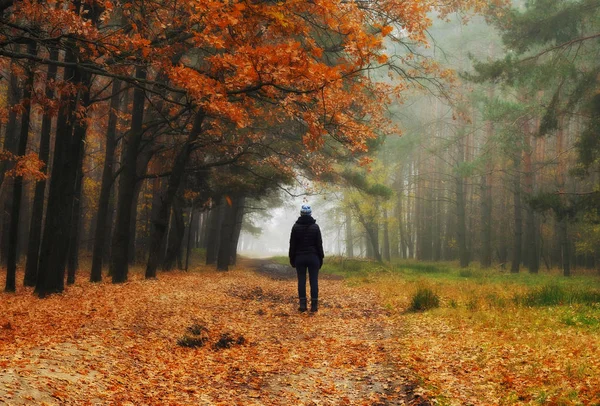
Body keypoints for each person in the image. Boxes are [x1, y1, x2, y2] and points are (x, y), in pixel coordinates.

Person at [289, 204, 324, 312]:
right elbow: (319, 244)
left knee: (301, 281)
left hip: (300, 257)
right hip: (313, 257)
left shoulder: (295, 227)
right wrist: (321, 258)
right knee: (314, 281)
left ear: (301, 213)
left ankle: (303, 305)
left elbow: (292, 245)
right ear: (310, 214)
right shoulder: (315, 227)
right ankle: (314, 306)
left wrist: (292, 259)